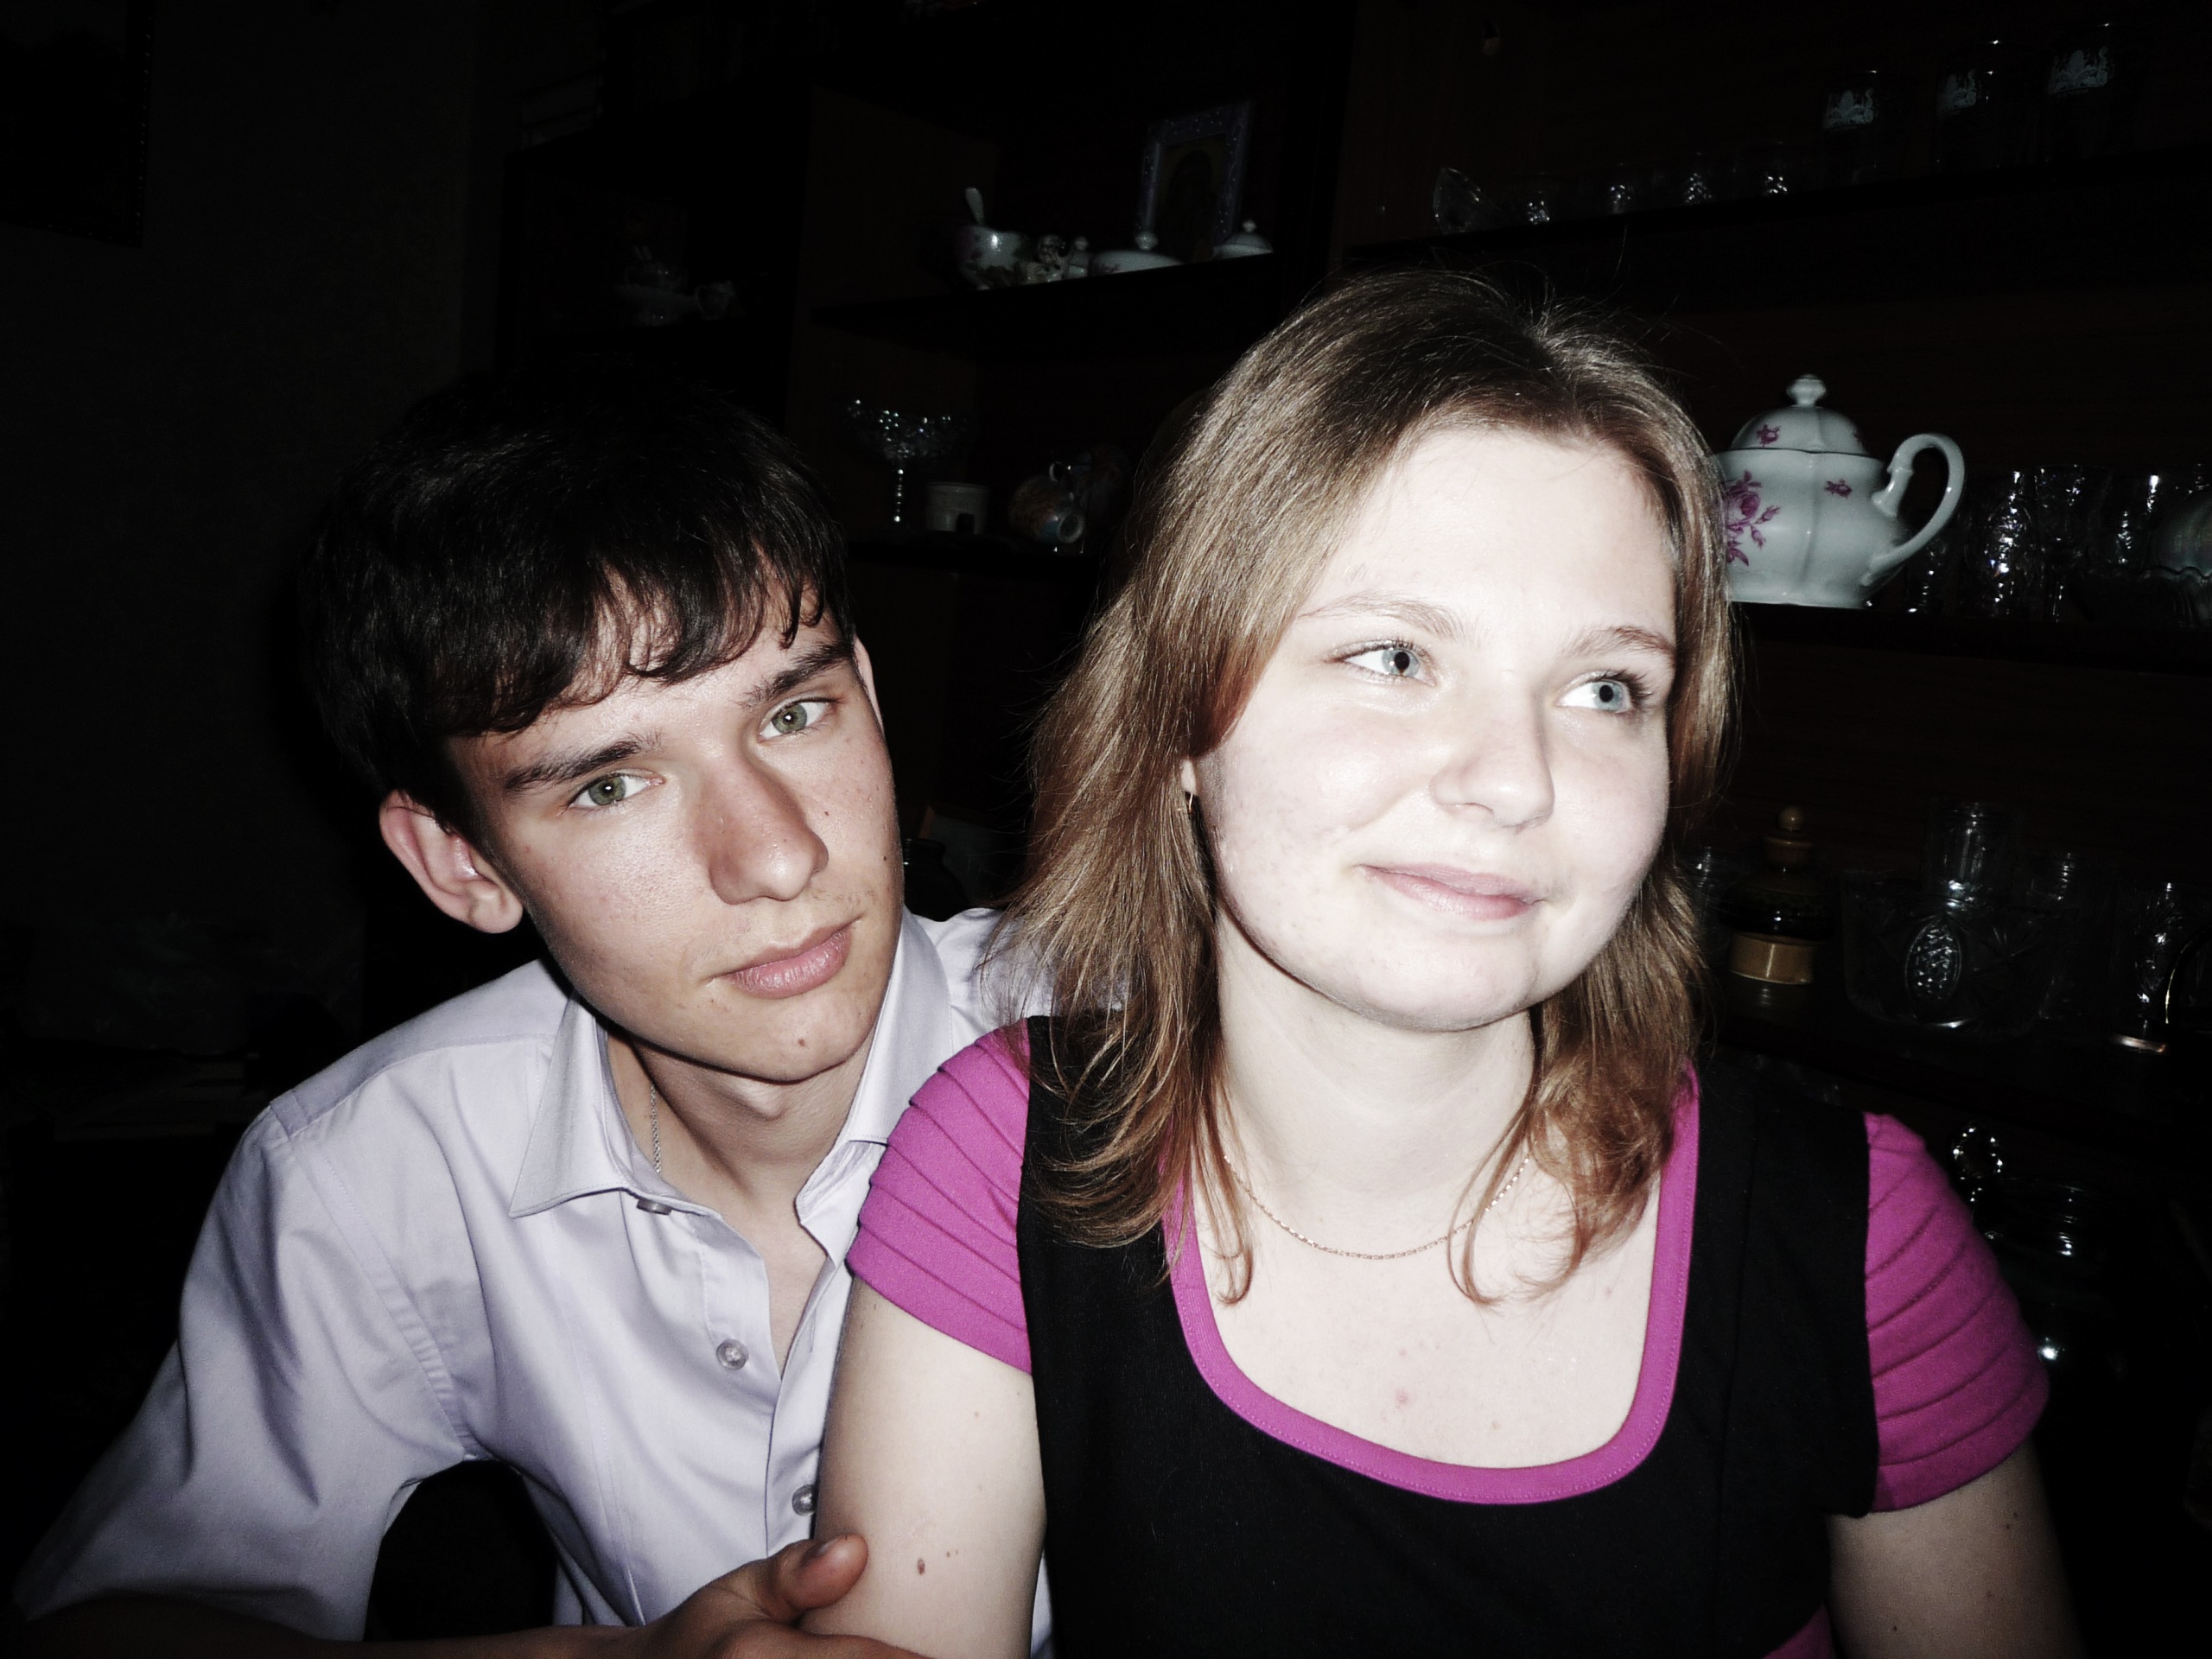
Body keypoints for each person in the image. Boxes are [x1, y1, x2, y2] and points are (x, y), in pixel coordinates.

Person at [808, 270, 2083, 1658]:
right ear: (1177, 721)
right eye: (1396, 656)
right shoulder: (1004, 1159)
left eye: (1606, 689)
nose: (1517, 780)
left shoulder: (1856, 1240)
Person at [15, 361, 1039, 1656]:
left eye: (795, 712)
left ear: (873, 702)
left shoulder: (1152, 1039)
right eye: (610, 786)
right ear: (462, 864)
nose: (777, 857)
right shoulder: (378, 1166)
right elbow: (115, 1622)